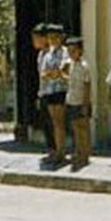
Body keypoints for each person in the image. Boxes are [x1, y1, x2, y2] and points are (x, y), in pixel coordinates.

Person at [39, 24, 70, 166]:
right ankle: (58, 151)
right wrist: (53, 73)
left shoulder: (65, 52)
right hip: (50, 90)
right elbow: (43, 73)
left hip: (61, 90)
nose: (52, 40)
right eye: (50, 37)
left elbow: (62, 69)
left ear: (61, 37)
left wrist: (54, 73)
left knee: (60, 122)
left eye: (55, 37)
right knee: (55, 122)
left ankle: (61, 152)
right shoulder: (48, 54)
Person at [61, 37, 92, 171]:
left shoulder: (84, 66)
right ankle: (78, 151)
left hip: (81, 101)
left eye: (74, 50)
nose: (71, 53)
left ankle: (85, 154)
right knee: (75, 128)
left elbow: (87, 85)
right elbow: (65, 76)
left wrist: (85, 104)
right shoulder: (69, 64)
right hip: (71, 99)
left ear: (80, 51)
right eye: (69, 50)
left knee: (83, 128)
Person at [31, 24, 56, 160]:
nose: (34, 41)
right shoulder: (40, 54)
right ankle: (51, 148)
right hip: (44, 91)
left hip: (54, 91)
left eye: (36, 38)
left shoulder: (54, 53)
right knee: (46, 122)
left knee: (55, 123)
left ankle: (58, 149)